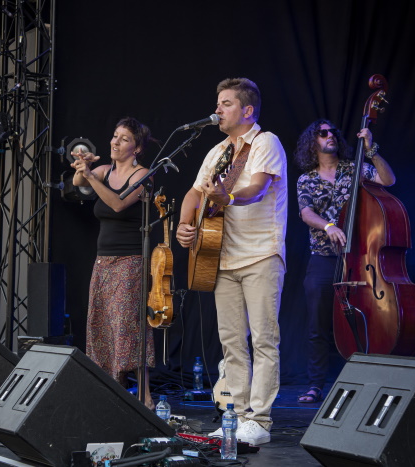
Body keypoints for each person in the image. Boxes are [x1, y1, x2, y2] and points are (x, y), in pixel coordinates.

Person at [176, 78, 287, 446]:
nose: (218, 110)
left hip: (260, 254)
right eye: (218, 103)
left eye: (225, 104)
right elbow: (194, 191)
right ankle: (236, 417)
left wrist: (227, 196)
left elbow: (258, 187)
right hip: (221, 256)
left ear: (247, 110)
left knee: (264, 341)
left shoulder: (265, 142)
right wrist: (184, 225)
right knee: (232, 343)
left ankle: (260, 421)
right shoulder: (218, 150)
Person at [294, 119, 396, 403]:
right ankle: (315, 385)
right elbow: (305, 213)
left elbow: (388, 181)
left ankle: (368, 377)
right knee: (318, 322)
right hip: (324, 259)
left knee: (366, 316)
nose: (330, 136)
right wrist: (329, 226)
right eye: (322, 133)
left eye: (332, 132)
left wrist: (371, 149)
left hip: (361, 257)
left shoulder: (355, 169)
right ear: (312, 142)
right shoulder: (307, 179)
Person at [71, 117, 156, 409]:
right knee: (103, 324)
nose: (115, 142)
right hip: (103, 261)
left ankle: (145, 396)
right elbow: (76, 181)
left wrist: (91, 176)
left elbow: (118, 203)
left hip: (131, 260)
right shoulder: (104, 170)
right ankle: (113, 390)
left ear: (137, 148)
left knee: (128, 327)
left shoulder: (142, 175)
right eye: (114, 136)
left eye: (123, 139)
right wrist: (86, 165)